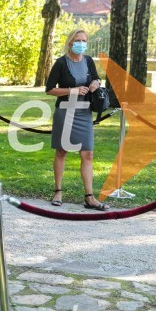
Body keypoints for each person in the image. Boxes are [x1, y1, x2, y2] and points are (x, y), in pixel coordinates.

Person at [45, 29, 109, 211]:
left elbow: (95, 79)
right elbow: (49, 89)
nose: (81, 43)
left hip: (84, 112)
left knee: (87, 154)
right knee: (61, 151)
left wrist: (96, 83)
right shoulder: (60, 63)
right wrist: (70, 91)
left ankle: (89, 197)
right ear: (70, 42)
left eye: (84, 40)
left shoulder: (88, 61)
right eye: (78, 40)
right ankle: (57, 191)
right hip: (65, 111)